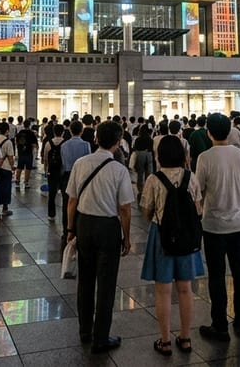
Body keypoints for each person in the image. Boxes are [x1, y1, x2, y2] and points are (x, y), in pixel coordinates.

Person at [66, 121, 134, 354]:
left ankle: (85, 330)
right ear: (118, 142)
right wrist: (127, 237)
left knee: (85, 279)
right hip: (107, 226)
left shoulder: (81, 163)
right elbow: (125, 208)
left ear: (96, 139)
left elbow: (72, 200)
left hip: (84, 223)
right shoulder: (119, 170)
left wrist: (70, 229)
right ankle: (101, 337)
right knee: (106, 283)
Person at [140, 136, 203, 356]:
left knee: (163, 290)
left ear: (159, 155)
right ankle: (185, 338)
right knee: (185, 289)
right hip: (186, 237)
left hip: (161, 237)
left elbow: (146, 212)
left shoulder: (153, 179)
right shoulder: (191, 177)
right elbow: (198, 209)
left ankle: (165, 341)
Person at [195, 113, 240, 343]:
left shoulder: (205, 158)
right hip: (239, 222)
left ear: (209, 132)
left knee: (217, 276)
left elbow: (199, 191)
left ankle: (220, 325)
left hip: (214, 225)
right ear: (229, 131)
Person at [131, 125, 155, 192]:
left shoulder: (138, 139)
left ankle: (140, 189)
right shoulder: (150, 139)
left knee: (140, 173)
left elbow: (135, 147)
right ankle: (148, 188)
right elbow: (152, 148)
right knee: (149, 172)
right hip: (148, 155)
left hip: (140, 154)